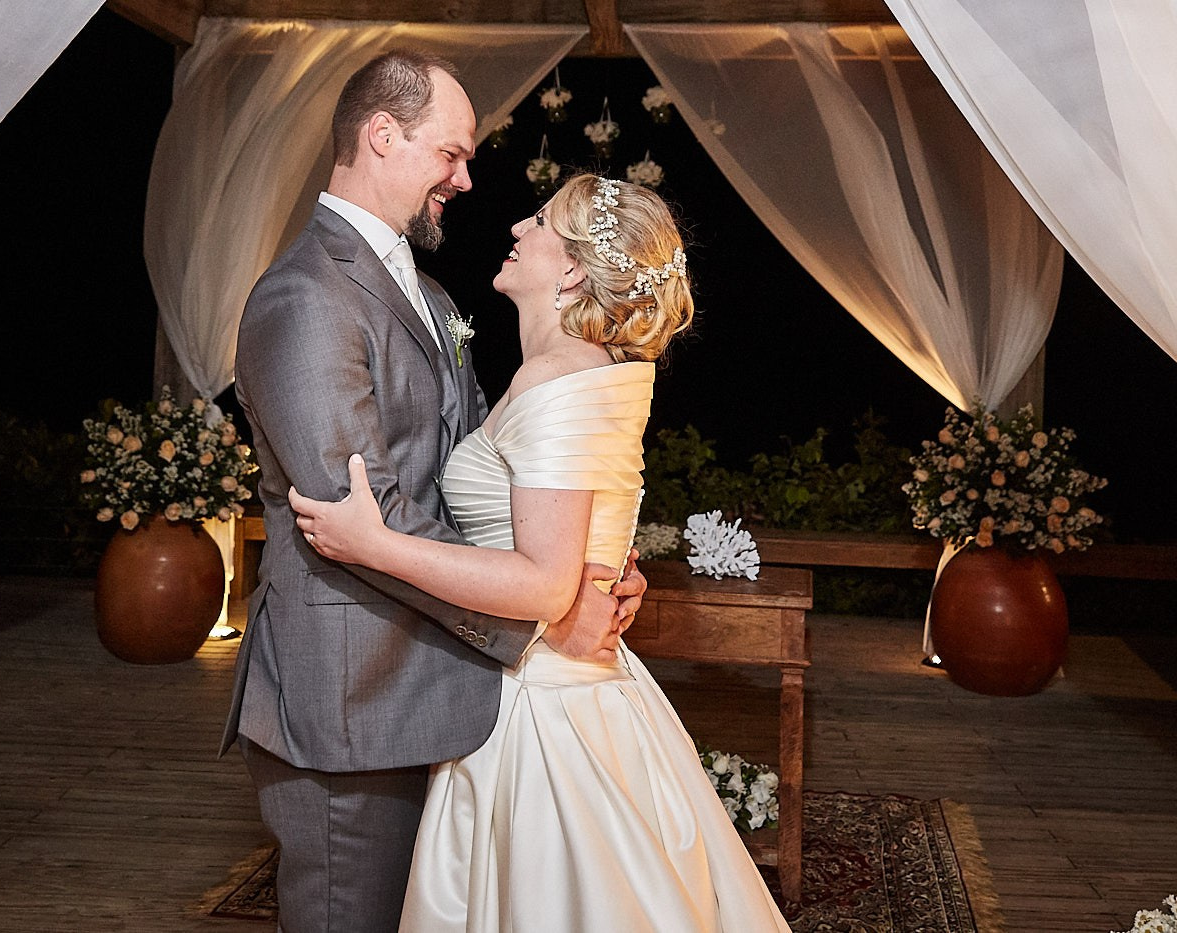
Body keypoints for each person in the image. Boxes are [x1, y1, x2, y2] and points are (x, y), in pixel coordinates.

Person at [291, 173, 793, 933]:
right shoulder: (585, 373)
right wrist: (613, 568)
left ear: (571, 270)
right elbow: (576, 536)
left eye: (541, 219)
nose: (518, 225)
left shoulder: (558, 377)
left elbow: (545, 583)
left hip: (545, 709)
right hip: (556, 679)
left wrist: (375, 544)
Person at [221, 52, 646, 933]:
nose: (466, 176)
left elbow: (482, 466)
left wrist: (586, 563)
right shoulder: (304, 298)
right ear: (383, 134)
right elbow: (359, 512)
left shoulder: (432, 291)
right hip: (352, 701)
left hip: (437, 686)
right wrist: (542, 608)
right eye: (451, 153)